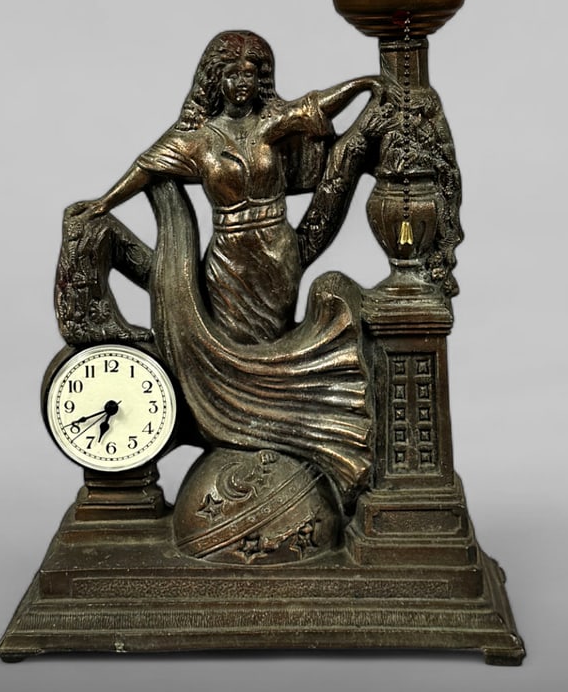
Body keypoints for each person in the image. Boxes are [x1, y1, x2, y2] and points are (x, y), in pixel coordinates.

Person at [63, 30, 380, 504]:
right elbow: (147, 168)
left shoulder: (270, 122)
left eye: (250, 75)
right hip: (229, 259)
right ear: (215, 81)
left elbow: (315, 107)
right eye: (232, 75)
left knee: (269, 347)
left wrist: (364, 85)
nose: (241, 84)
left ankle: (272, 439)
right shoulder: (198, 138)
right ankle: (246, 436)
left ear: (260, 80)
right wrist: (104, 203)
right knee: (234, 350)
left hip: (276, 256)